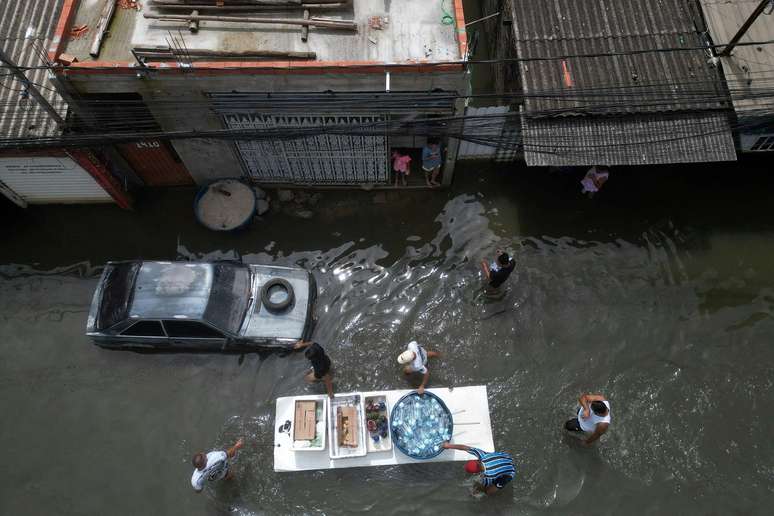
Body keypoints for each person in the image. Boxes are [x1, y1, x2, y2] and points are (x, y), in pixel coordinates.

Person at [441, 442, 516, 496]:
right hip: (506, 456)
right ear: (477, 461)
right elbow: (465, 447)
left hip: (509, 473)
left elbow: (488, 491)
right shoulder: (483, 455)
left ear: (478, 472)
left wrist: (478, 486)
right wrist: (448, 445)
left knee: (481, 492)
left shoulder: (489, 477)